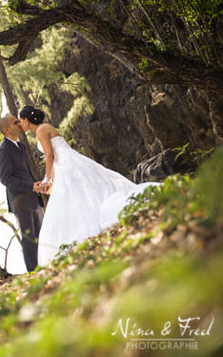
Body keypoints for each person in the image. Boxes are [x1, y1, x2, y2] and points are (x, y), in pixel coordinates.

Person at [17, 105, 158, 266]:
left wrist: (47, 179)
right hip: (64, 165)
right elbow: (54, 159)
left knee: (81, 193)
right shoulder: (44, 129)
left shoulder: (41, 130)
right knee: (81, 194)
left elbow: (49, 156)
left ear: (26, 120)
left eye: (21, 121)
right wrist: (51, 181)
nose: (21, 124)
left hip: (68, 164)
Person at [0, 114, 46, 272]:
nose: (20, 124)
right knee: (29, 239)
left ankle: (45, 266)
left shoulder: (22, 147)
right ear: (7, 129)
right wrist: (31, 186)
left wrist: (37, 186)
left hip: (33, 198)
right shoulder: (3, 151)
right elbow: (6, 179)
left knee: (42, 235)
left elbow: (26, 172)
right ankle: (34, 273)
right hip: (20, 201)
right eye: (15, 122)